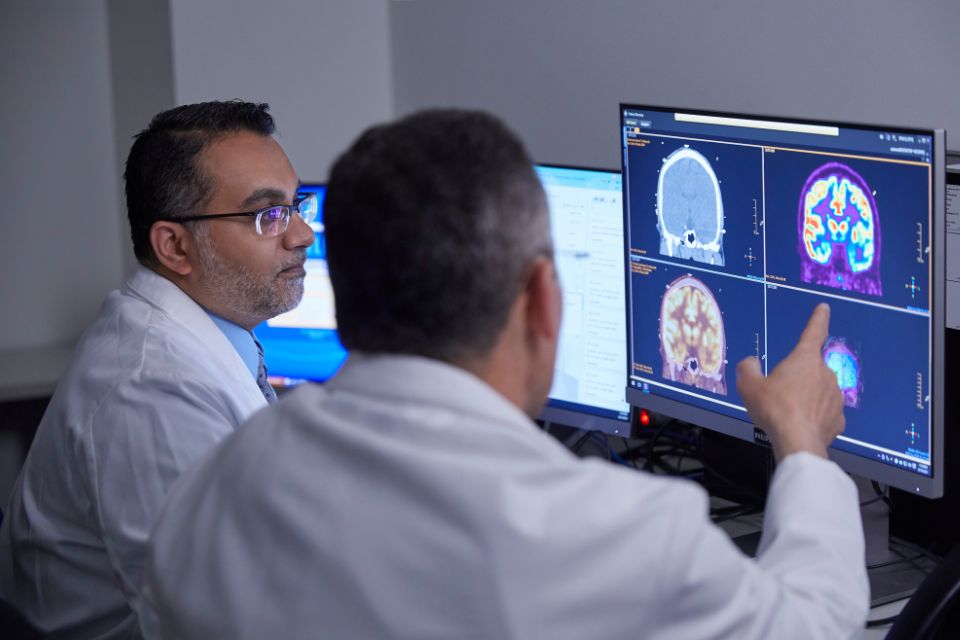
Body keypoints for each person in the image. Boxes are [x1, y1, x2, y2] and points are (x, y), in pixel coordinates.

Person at [145, 109, 869, 639]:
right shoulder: (613, 534)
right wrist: (802, 444)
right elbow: (812, 625)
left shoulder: (214, 487)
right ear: (543, 299)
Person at [0, 100, 316, 639]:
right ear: (174, 246)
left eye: (295, 205)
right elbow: (222, 621)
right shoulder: (151, 389)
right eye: (268, 215)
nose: (302, 235)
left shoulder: (205, 335)